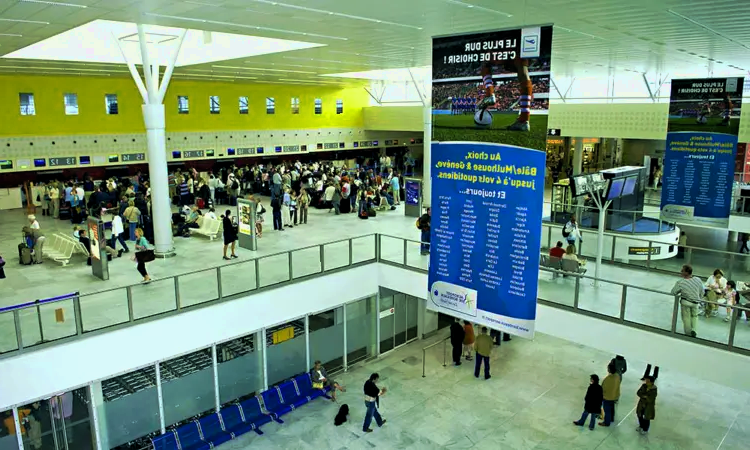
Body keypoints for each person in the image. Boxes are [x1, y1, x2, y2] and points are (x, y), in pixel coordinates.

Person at [671, 264, 704, 337]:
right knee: (695, 316)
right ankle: (694, 330)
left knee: (686, 318)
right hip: (695, 302)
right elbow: (702, 291)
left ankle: (688, 333)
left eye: (682, 271)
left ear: (686, 272)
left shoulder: (681, 282)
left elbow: (673, 292)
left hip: (686, 302)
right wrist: (699, 299)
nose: (680, 272)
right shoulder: (698, 280)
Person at [599, 362, 621, 427]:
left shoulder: (609, 379)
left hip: (607, 397)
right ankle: (611, 419)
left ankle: (606, 422)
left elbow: (603, 388)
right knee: (612, 408)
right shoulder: (617, 376)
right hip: (614, 396)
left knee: (607, 410)